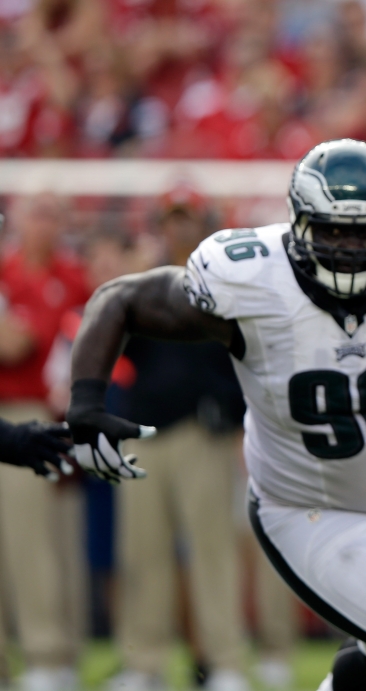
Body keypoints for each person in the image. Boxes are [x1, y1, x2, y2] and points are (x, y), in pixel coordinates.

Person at [66, 139, 366, 691]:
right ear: (300, 225)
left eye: (364, 231)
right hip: (313, 510)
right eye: (334, 229)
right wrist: (86, 406)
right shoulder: (250, 278)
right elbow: (119, 299)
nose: (350, 247)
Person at [105, 196, 250, 691]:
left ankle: (224, 662)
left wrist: (229, 412)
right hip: (145, 429)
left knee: (213, 553)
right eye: (171, 220)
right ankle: (144, 664)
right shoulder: (142, 284)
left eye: (186, 218)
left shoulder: (225, 281)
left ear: (204, 224)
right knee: (143, 553)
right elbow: (118, 345)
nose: (178, 229)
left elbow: (244, 355)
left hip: (200, 430)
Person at [0, 193, 92, 691]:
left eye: (53, 213)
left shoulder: (70, 275)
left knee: (39, 542)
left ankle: (47, 653)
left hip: (36, 414)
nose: (43, 224)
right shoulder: (8, 270)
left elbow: (22, 341)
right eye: (36, 213)